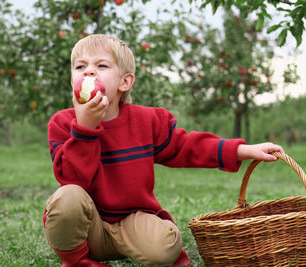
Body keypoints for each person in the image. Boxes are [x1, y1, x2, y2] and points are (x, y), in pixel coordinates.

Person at [43, 34, 284, 267]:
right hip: (88, 227)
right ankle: (77, 261)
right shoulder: (62, 124)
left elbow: (187, 147)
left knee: (166, 247)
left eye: (101, 65)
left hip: (132, 222)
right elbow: (72, 180)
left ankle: (138, 245)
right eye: (80, 66)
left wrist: (243, 150)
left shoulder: (146, 121)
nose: (89, 72)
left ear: (124, 82)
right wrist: (84, 128)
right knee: (67, 197)